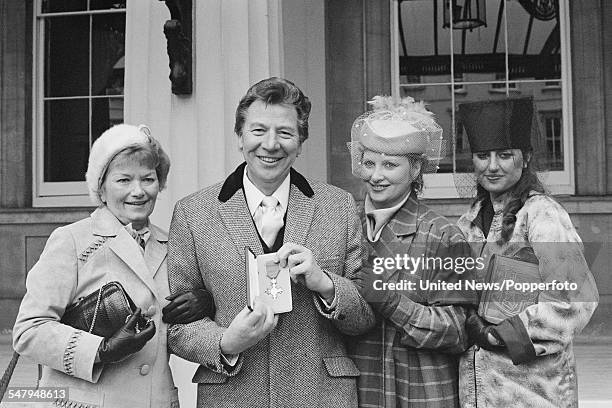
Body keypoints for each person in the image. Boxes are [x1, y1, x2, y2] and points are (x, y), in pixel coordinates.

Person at [166, 77, 375, 408]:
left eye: (286, 133)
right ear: (240, 137)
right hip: (233, 396)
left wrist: (325, 284)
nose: (271, 144)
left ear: (301, 142)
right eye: (258, 131)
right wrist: (225, 342)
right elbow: (178, 326)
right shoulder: (193, 213)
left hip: (321, 395)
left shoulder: (338, 206)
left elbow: (364, 317)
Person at [12, 124, 214, 408]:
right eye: (123, 180)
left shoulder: (175, 244)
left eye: (148, 178)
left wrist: (206, 302)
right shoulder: (71, 240)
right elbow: (29, 331)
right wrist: (100, 350)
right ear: (101, 188)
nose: (138, 191)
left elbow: (179, 331)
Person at [456, 97, 599, 408]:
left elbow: (574, 299)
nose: (492, 166)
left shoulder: (543, 214)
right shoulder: (467, 221)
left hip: (534, 394)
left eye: (505, 155)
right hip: (479, 392)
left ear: (527, 157)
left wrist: (499, 335)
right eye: (483, 156)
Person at [346, 96, 478, 408]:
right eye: (369, 163)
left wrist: (393, 303)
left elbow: (459, 330)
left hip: (421, 390)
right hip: (359, 388)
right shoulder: (342, 223)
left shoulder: (444, 235)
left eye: (390, 165)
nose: (376, 176)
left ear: (416, 168)